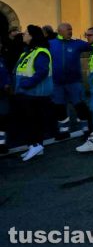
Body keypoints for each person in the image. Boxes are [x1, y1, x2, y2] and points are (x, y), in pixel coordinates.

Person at [14, 25, 53, 161]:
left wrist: (27, 84)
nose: (23, 35)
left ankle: (36, 145)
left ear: (31, 36)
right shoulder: (30, 51)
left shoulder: (40, 52)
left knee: (34, 121)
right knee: (31, 120)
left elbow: (41, 71)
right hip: (28, 93)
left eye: (25, 33)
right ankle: (34, 146)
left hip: (35, 93)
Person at [49, 23, 93, 140]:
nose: (70, 31)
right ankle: (64, 131)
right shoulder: (51, 44)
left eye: (71, 29)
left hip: (74, 82)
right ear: (59, 31)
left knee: (80, 106)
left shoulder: (76, 43)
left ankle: (87, 130)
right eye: (68, 29)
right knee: (59, 107)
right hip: (57, 83)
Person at [0, 38, 11, 154]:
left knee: (2, 119)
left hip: (2, 94)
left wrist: (7, 82)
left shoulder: (2, 59)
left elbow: (6, 73)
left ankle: (1, 144)